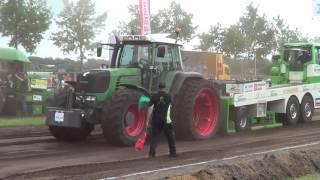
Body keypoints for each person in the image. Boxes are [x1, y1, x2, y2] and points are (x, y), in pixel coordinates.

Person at [147, 82, 177, 158]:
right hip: (166, 120)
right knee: (170, 137)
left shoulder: (154, 96)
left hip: (156, 120)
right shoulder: (169, 96)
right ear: (165, 87)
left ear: (158, 87)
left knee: (154, 137)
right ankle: (173, 153)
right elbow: (171, 107)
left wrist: (147, 121)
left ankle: (151, 154)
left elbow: (150, 108)